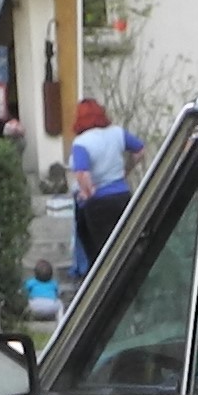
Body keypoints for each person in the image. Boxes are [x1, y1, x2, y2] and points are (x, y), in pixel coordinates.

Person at [66, 96, 146, 284]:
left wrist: (88, 192)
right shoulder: (117, 133)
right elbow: (140, 150)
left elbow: (82, 173)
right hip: (122, 195)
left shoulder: (82, 143)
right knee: (124, 244)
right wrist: (126, 170)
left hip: (98, 202)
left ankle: (106, 288)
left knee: (101, 252)